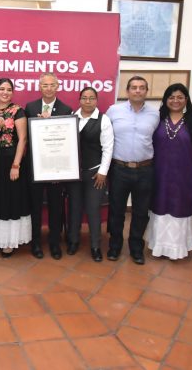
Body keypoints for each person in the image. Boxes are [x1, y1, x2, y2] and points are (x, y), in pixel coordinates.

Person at [146, 83, 192, 260]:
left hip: (185, 173)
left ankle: (177, 247)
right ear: (165, 100)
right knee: (159, 204)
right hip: (160, 173)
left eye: (180, 97)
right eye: (172, 97)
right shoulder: (158, 118)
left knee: (181, 205)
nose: (175, 101)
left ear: (186, 100)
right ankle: (158, 245)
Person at [105, 76, 159, 264]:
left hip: (145, 169)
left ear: (146, 91)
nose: (137, 90)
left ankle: (136, 248)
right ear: (127, 91)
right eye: (134, 87)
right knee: (116, 210)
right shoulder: (114, 111)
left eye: (141, 87)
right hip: (119, 168)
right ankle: (115, 246)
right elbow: (104, 137)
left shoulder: (155, 114)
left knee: (141, 212)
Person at [24, 73, 73, 259]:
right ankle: (35, 243)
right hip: (35, 167)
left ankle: (54, 243)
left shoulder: (66, 109)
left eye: (52, 85)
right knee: (35, 206)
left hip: (55, 168)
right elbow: (26, 136)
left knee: (55, 207)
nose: (49, 88)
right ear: (40, 87)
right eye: (45, 85)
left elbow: (67, 140)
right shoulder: (30, 107)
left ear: (57, 87)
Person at [0, 78, 32, 257]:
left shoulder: (18, 111)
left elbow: (23, 140)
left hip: (11, 161)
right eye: (2, 89)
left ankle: (9, 242)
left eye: (9, 89)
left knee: (9, 200)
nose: (5, 92)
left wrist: (16, 165)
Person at [65, 87, 113, 262]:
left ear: (96, 100)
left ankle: (95, 246)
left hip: (95, 173)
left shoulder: (104, 120)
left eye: (91, 98)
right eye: (84, 98)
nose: (87, 101)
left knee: (93, 210)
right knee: (74, 208)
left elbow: (108, 148)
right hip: (74, 173)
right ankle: (73, 241)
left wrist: (103, 172)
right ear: (79, 100)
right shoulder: (71, 117)